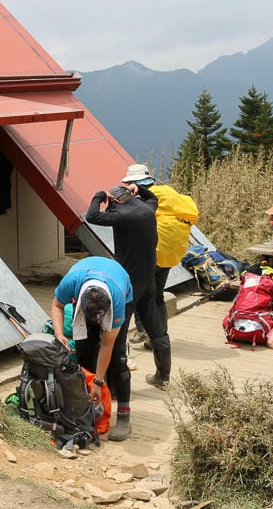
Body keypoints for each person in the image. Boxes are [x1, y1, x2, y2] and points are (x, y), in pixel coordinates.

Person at [85, 180, 168, 415]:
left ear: (114, 202)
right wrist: (138, 188)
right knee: (155, 326)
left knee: (117, 334)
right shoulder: (146, 208)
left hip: (129, 283)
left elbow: (92, 216)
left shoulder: (121, 216)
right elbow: (153, 198)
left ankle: (117, 385)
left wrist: (99, 194)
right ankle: (163, 375)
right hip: (149, 277)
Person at [122, 164, 199, 375]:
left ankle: (143, 333)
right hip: (171, 253)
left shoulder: (143, 198)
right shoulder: (169, 195)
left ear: (134, 183)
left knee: (137, 295)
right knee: (157, 295)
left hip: (152, 254)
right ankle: (158, 334)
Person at [51, 256, 133, 441]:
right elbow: (57, 305)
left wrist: (98, 381)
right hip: (85, 279)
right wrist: (58, 333)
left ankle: (123, 416)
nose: (97, 322)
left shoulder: (118, 299)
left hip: (119, 282)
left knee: (118, 357)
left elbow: (107, 344)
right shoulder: (71, 283)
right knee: (84, 354)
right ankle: (84, 411)